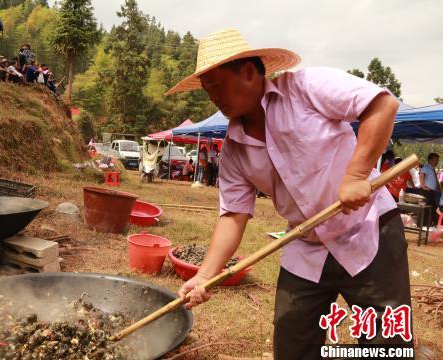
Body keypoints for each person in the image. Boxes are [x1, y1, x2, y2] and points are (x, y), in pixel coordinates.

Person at [166, 29, 411, 359]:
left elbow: (382, 104)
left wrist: (355, 174)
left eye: (217, 86)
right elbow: (233, 216)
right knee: (293, 344)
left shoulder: (307, 88)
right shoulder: (234, 152)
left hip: (368, 232)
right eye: (208, 91)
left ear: (249, 72)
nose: (214, 98)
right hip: (306, 246)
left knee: (387, 345)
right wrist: (205, 276)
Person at [420, 152, 440, 226]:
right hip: (426, 191)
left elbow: (435, 180)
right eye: (436, 160)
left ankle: (429, 223)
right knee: (427, 208)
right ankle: (424, 224)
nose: (437, 162)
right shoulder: (426, 168)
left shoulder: (432, 169)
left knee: (433, 208)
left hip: (432, 192)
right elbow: (422, 175)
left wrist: (438, 189)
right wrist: (423, 186)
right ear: (430, 160)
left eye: (438, 160)